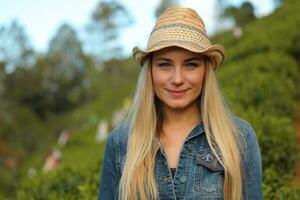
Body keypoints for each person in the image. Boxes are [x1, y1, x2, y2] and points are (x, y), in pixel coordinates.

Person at [98, 7, 262, 200]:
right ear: (150, 71)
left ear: (205, 71)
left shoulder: (239, 137)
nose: (177, 79)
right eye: (164, 64)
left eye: (191, 64)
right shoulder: (120, 143)